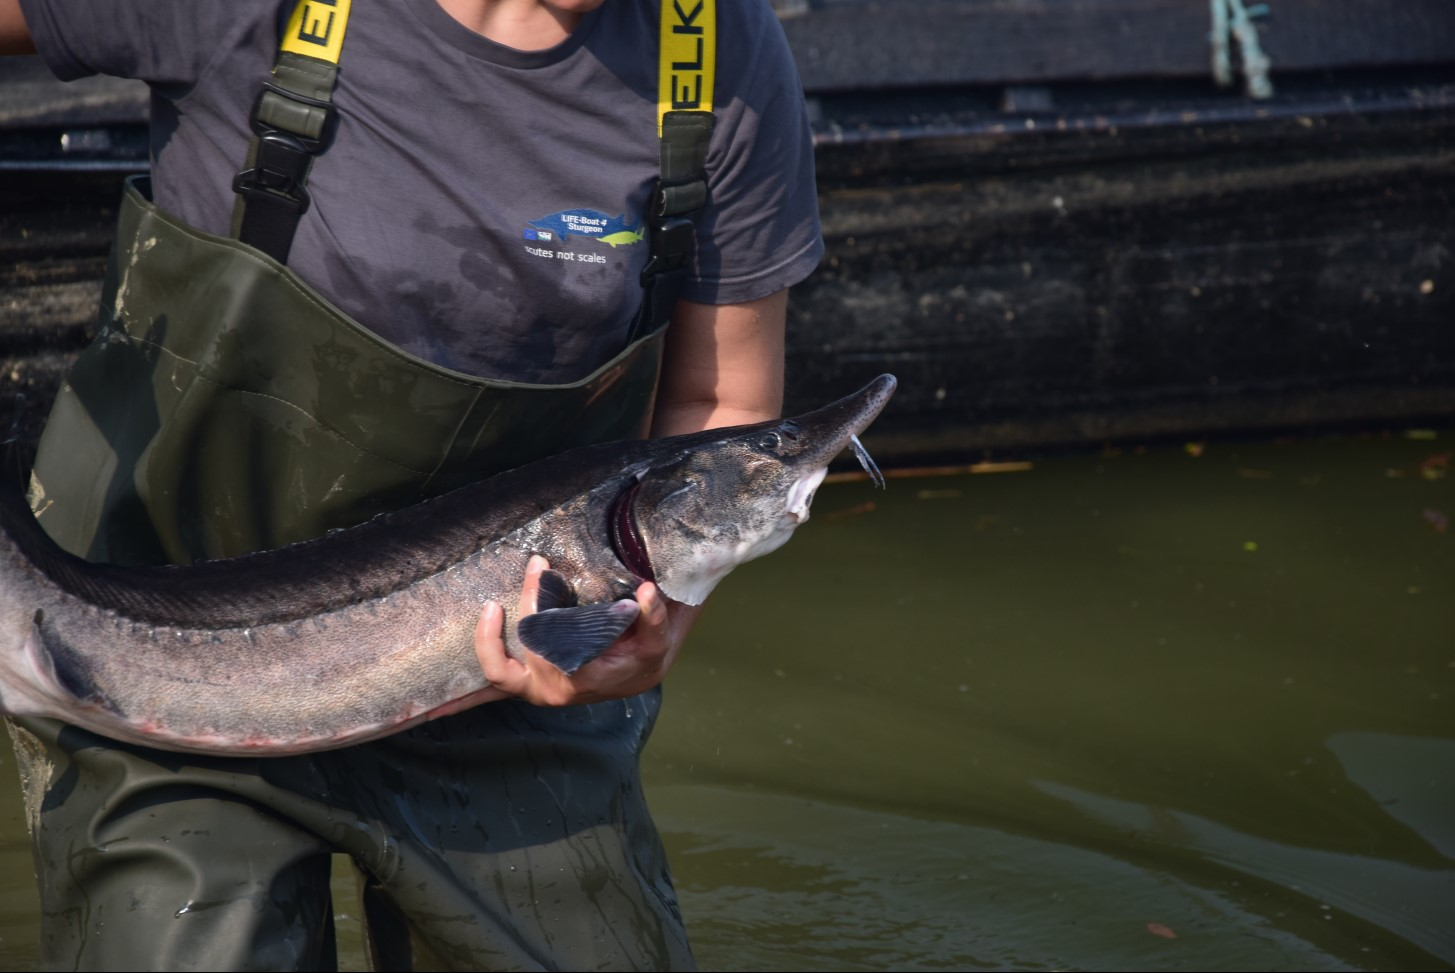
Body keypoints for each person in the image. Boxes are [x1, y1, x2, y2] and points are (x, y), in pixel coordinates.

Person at [0, 0, 822, 968]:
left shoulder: (717, 47)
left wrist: (652, 638)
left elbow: (721, 405)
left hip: (517, 693)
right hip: (146, 650)